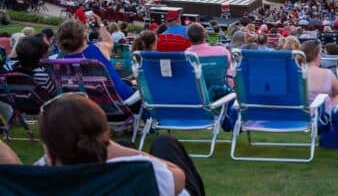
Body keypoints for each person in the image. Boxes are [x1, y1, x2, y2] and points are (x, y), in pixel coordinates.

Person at [0, 93, 205, 196]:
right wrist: (111, 147)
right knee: (164, 142)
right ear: (103, 133)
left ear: (47, 143)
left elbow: (13, 171)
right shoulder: (141, 173)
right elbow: (178, 177)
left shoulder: (31, 182)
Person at [58, 17, 135, 101]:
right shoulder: (99, 48)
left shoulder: (60, 63)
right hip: (122, 102)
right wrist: (100, 24)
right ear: (84, 36)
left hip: (87, 106)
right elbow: (109, 41)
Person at [301, 40, 338, 111]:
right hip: (321, 119)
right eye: (320, 54)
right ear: (316, 55)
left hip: (298, 118)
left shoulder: (294, 74)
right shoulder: (328, 73)